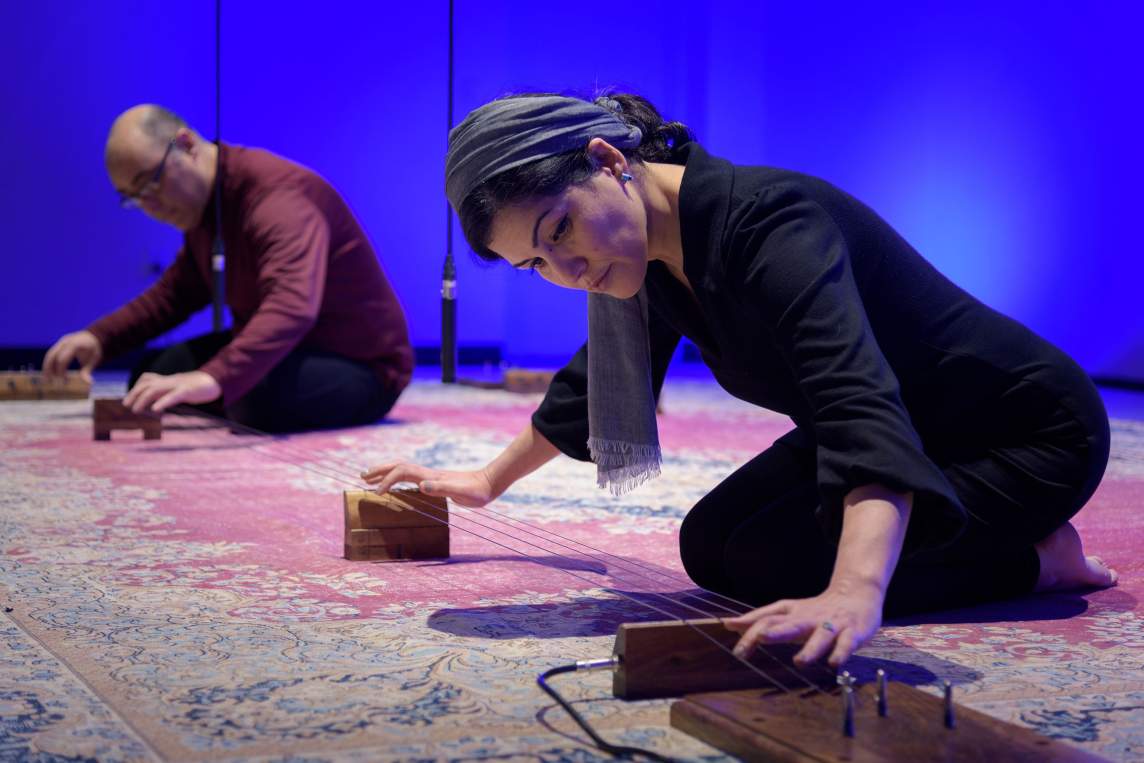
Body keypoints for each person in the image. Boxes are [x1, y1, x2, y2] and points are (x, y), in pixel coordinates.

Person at [362, 93, 1116, 667]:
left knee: (786, 566)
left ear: (607, 161)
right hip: (916, 426)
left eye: (559, 229)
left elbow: (856, 398)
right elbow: (594, 381)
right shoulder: (648, 255)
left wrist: (857, 588)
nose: (568, 271)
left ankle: (1040, 559)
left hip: (1021, 434)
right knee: (714, 545)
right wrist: (488, 480)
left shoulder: (771, 224)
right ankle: (999, 546)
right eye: (537, 264)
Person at [43, 105, 413, 432]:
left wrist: (212, 376)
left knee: (248, 395)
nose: (148, 205)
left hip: (361, 367)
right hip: (291, 352)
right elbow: (175, 295)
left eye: (150, 183)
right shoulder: (208, 210)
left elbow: (292, 306)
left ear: (185, 145)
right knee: (153, 375)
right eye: (133, 198)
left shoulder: (276, 196)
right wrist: (100, 338)